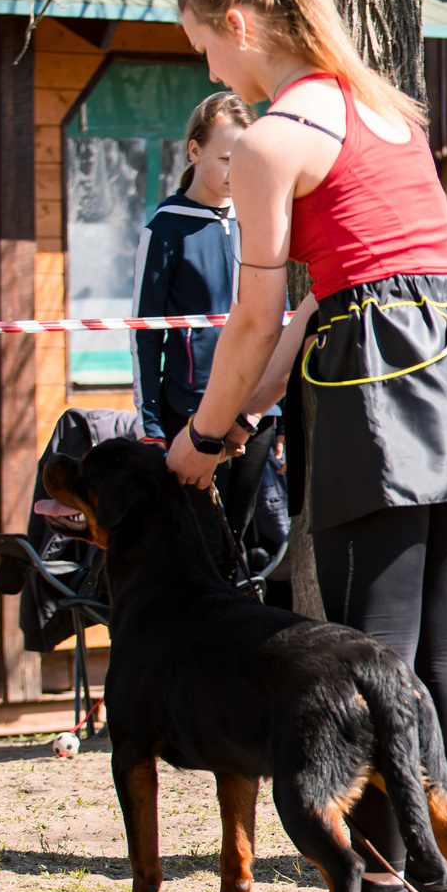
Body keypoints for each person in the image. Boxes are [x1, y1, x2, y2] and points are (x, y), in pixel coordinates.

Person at [171, 0, 447, 892]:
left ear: (237, 25)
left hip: (378, 381)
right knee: (443, 648)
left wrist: (204, 433)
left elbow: (257, 318)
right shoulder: (385, 110)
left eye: (204, 48)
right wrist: (249, 415)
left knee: (371, 658)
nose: (209, 70)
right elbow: (345, 287)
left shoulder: (276, 139)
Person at [132, 91, 291, 590]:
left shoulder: (262, 220)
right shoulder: (165, 228)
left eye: (243, 159)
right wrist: (154, 424)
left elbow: (279, 323)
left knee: (239, 548)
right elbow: (145, 335)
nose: (233, 170)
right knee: (200, 550)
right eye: (225, 158)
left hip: (258, 413)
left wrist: (278, 413)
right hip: (191, 417)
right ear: (194, 152)